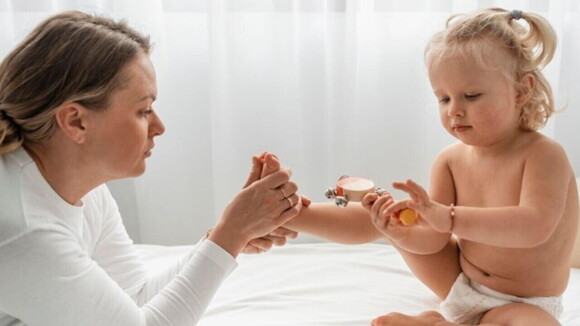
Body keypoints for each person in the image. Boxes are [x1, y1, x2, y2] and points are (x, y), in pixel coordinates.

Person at [265, 7, 578, 326]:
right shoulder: (451, 160)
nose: (455, 111)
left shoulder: (543, 155)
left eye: (471, 95)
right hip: (458, 282)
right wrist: (400, 232)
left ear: (521, 91)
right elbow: (433, 240)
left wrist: (449, 218)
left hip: (524, 301)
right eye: (443, 99)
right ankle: (293, 214)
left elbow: (534, 227)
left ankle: (435, 323)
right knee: (387, 217)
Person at [0, 11, 304, 326]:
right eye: (143, 110)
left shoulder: (84, 190)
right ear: (76, 121)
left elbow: (136, 297)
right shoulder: (24, 231)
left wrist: (227, 236)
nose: (159, 126)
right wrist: (231, 234)